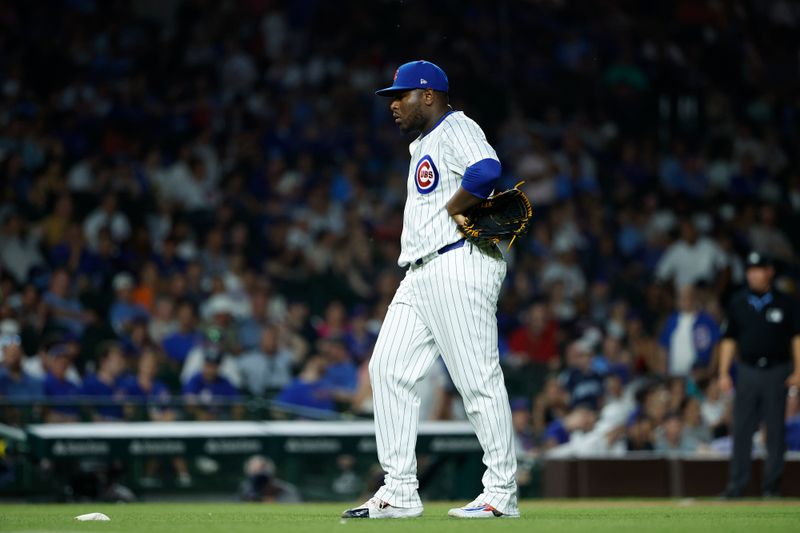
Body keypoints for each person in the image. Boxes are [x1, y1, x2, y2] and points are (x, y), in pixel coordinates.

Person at [342, 61, 518, 519]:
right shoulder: (424, 142)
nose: (394, 105)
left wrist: (457, 206)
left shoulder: (456, 126)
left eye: (401, 96)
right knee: (387, 370)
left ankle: (501, 493)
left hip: (456, 262)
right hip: (419, 273)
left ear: (428, 95)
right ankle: (399, 491)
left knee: (477, 382)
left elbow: (486, 169)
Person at [719, 252, 800, 498]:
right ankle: (736, 486)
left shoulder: (786, 303)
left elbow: (797, 338)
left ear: (769, 272)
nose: (754, 274)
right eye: (750, 269)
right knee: (742, 429)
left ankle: (770, 488)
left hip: (777, 370)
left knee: (775, 431)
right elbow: (729, 339)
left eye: (759, 269)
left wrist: (799, 370)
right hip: (747, 370)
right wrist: (723, 372)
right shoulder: (738, 302)